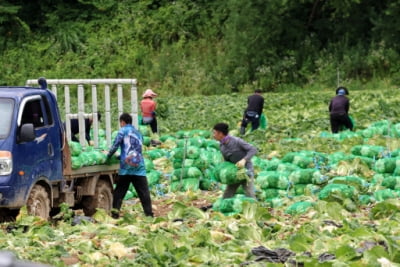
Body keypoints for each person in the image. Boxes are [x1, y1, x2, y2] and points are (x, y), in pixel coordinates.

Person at [106, 113, 153, 218]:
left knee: (120, 191)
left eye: (120, 123)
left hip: (126, 167)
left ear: (122, 122)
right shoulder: (138, 133)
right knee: (143, 192)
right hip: (138, 166)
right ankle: (149, 214)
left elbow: (115, 146)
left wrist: (108, 156)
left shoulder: (122, 131)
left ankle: (115, 214)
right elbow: (137, 149)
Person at [213, 122, 257, 199]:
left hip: (246, 172)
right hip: (235, 173)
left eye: (215, 133)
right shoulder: (222, 146)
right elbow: (227, 161)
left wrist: (244, 160)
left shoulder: (237, 141)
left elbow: (253, 149)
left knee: (249, 194)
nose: (213, 135)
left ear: (220, 133)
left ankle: (254, 209)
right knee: (227, 195)